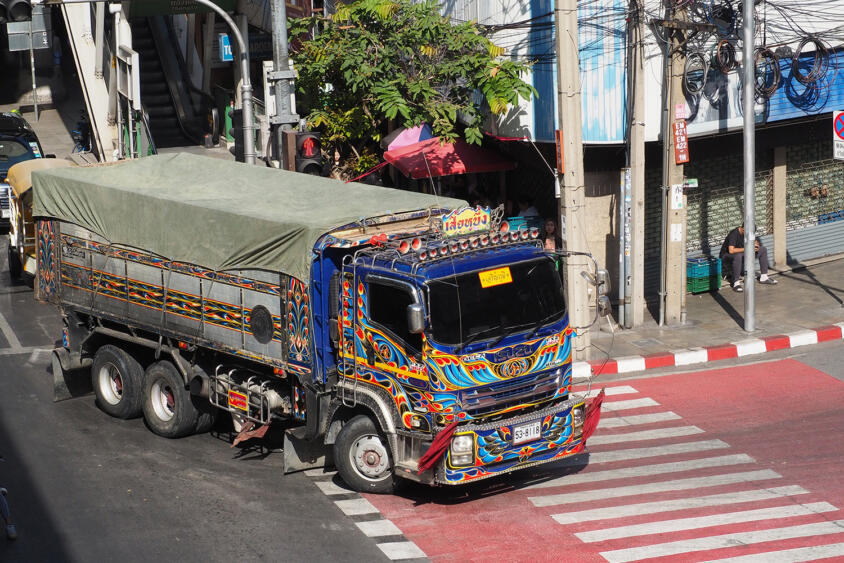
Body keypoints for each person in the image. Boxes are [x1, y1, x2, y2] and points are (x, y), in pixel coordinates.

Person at [719, 224, 777, 292]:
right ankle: (736, 283)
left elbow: (755, 242)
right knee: (738, 255)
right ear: (743, 229)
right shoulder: (734, 233)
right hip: (727, 257)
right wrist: (748, 248)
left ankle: (764, 277)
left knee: (763, 249)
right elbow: (731, 250)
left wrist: (756, 246)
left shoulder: (748, 232)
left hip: (741, 253)